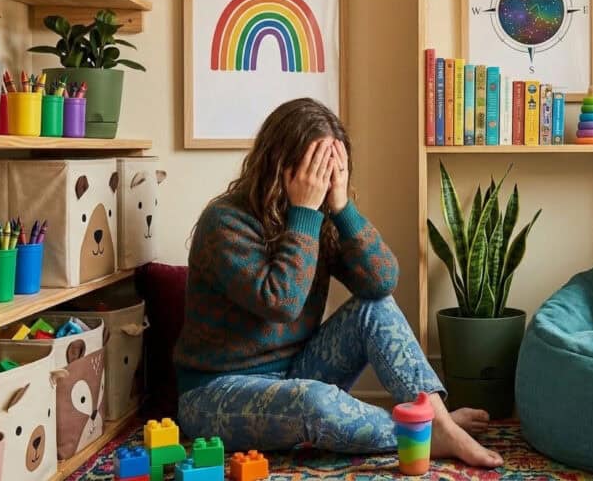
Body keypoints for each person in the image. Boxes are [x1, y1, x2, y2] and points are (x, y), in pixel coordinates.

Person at [174, 98, 503, 468]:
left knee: (374, 309)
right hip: (215, 394)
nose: (325, 180)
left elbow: (382, 282)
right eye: (317, 169)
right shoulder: (224, 222)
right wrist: (304, 214)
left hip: (295, 369)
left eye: (334, 169)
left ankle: (437, 420)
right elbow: (282, 303)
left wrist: (343, 208)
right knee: (315, 403)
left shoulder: (320, 217)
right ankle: (421, 433)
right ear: (281, 166)